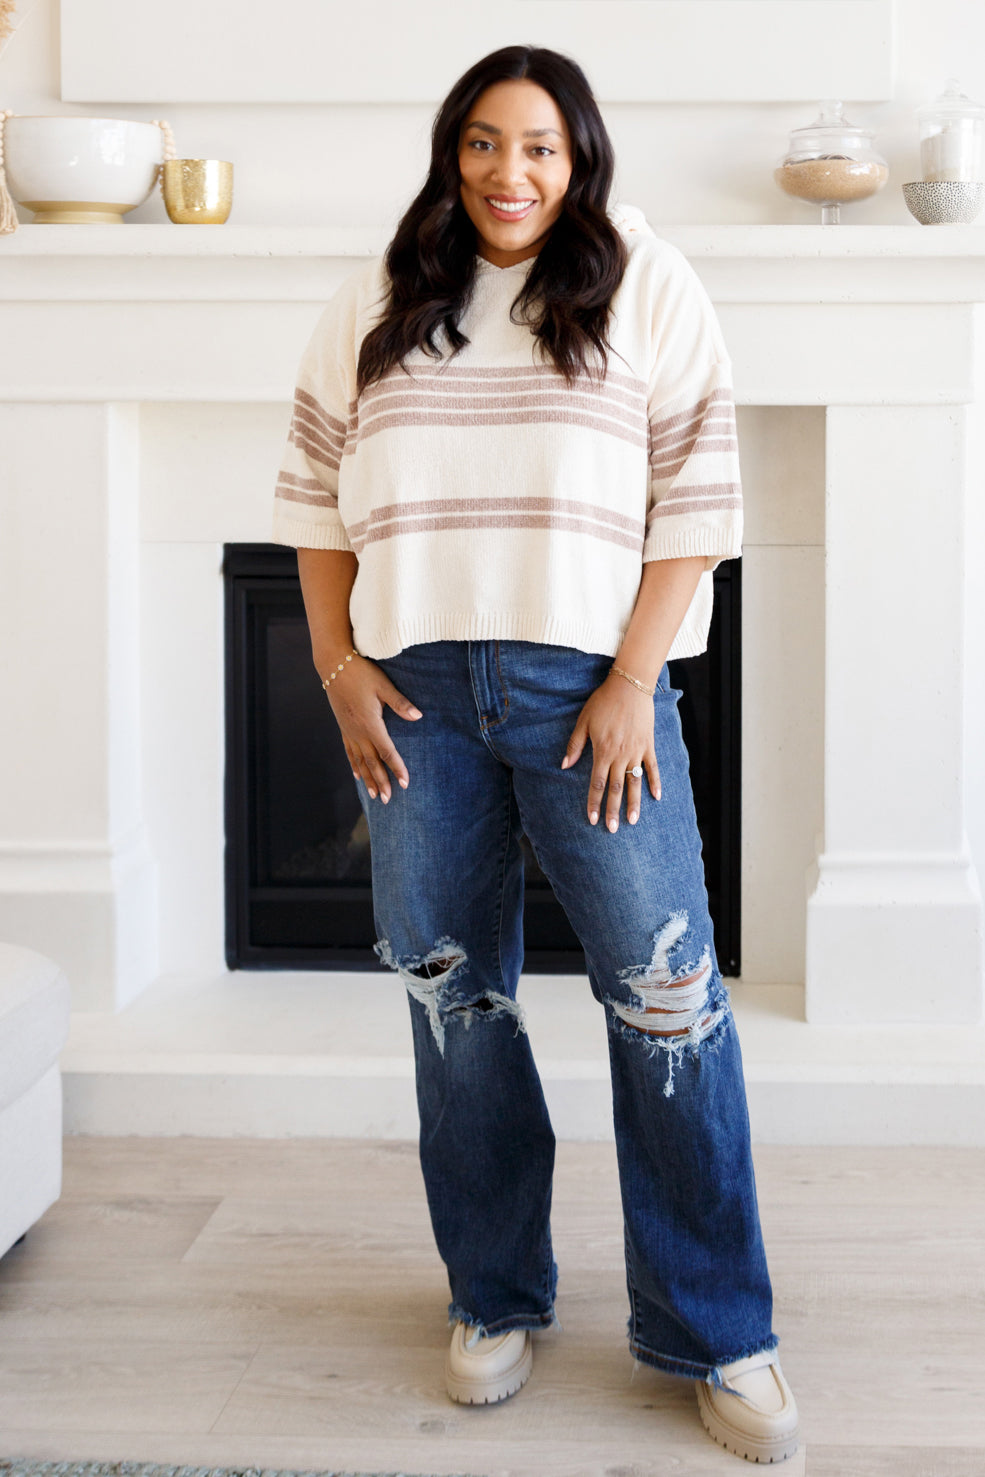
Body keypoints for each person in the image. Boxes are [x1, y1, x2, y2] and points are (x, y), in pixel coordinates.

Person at [272, 44, 798, 1465]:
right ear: (454, 152)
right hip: (416, 698)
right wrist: (336, 672)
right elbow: (312, 498)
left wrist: (632, 681)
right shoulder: (378, 299)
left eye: (542, 147)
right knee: (457, 1003)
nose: (512, 173)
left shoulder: (645, 282)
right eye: (486, 143)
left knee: (666, 998)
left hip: (590, 694)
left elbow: (698, 496)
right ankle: (493, 1292)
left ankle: (717, 1328)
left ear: (581, 160)